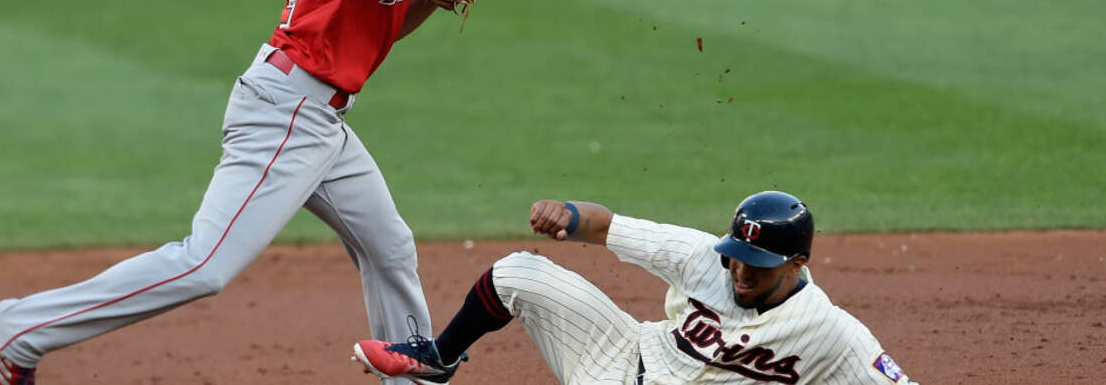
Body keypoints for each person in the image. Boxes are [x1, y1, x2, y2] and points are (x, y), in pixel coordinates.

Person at [0, 0, 453, 384]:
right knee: (203, 266)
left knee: (389, 247)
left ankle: (410, 375)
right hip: (287, 113)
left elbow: (379, 32)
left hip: (320, 118)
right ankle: (24, 330)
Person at [354, 191, 919, 384]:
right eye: (737, 258)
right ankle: (440, 358)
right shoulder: (703, 257)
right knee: (518, 273)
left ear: (796, 264)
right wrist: (569, 215)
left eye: (758, 266)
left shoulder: (829, 331)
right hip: (621, 355)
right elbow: (607, 227)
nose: (741, 273)